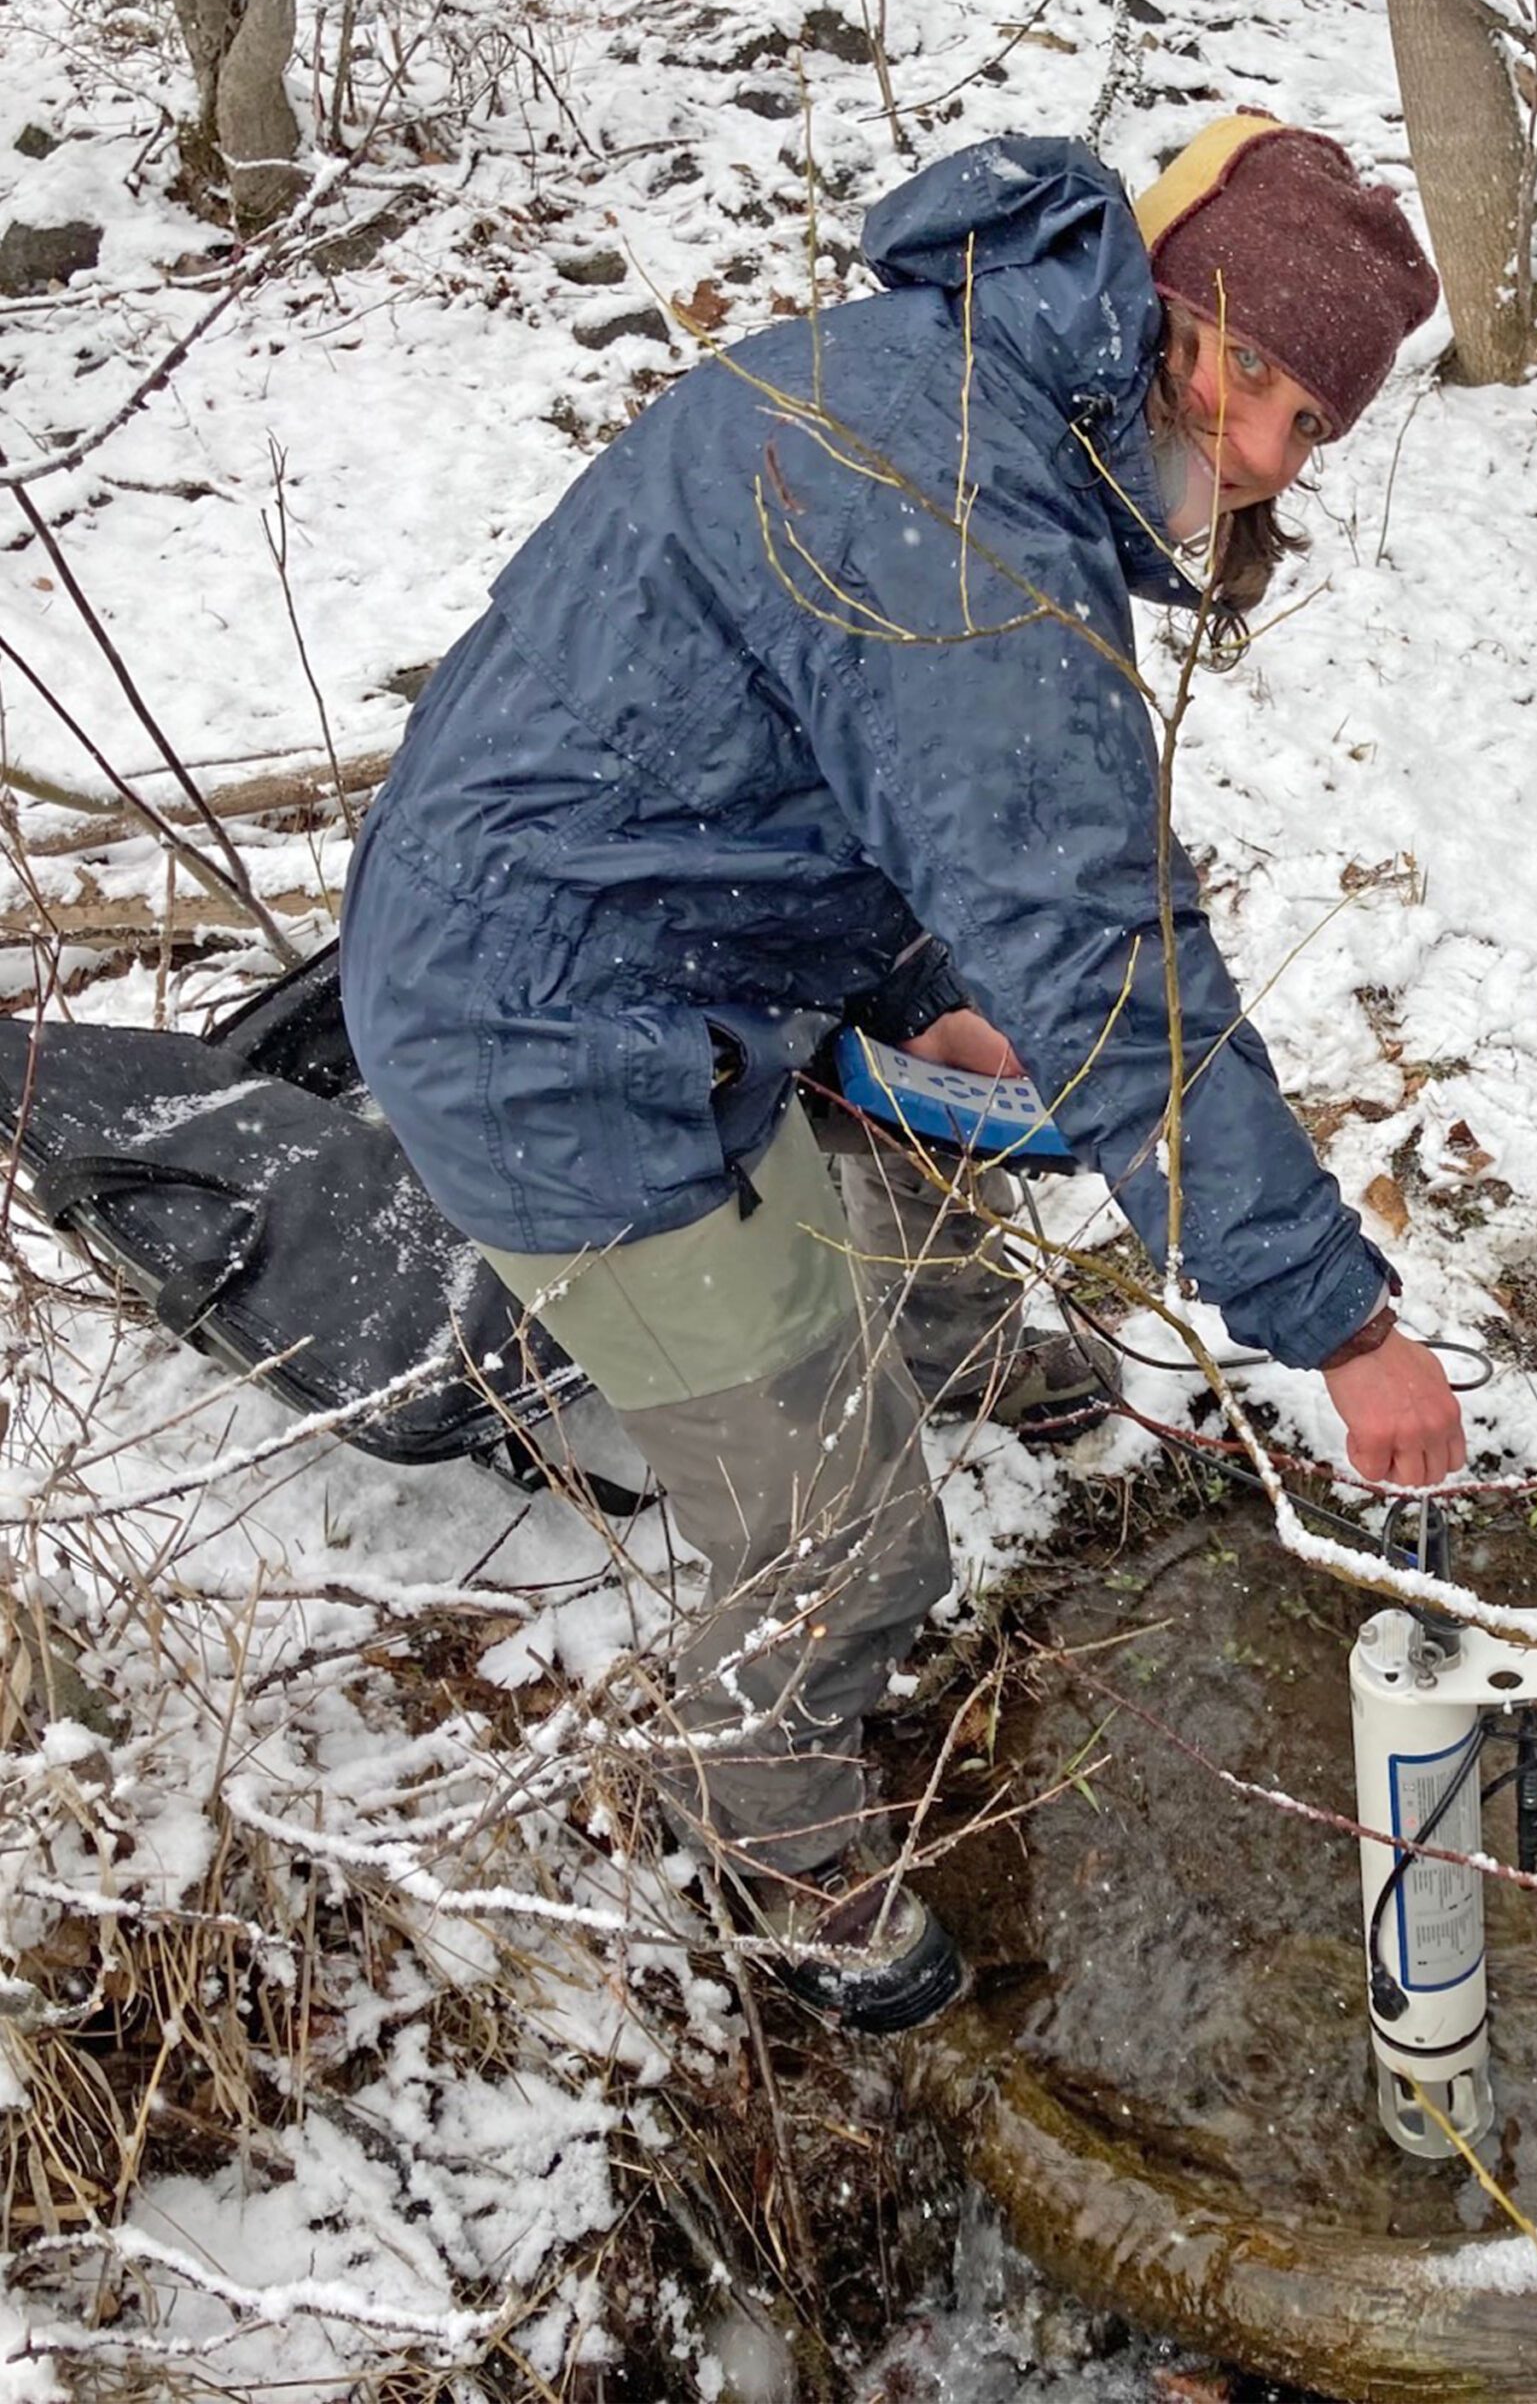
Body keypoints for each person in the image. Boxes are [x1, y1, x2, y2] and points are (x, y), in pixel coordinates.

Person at [339, 115, 1468, 2031]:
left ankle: (935, 1339)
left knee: (941, 1119)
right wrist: (1341, 1323)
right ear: (1219, 353)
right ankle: (762, 1809)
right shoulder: (971, 528)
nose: (1288, 476)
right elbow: (1118, 963)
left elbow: (785, 743)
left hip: (644, 930)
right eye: (1303, 427)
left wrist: (923, 972)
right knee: (855, 1546)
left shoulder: (943, 387)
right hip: (545, 1039)